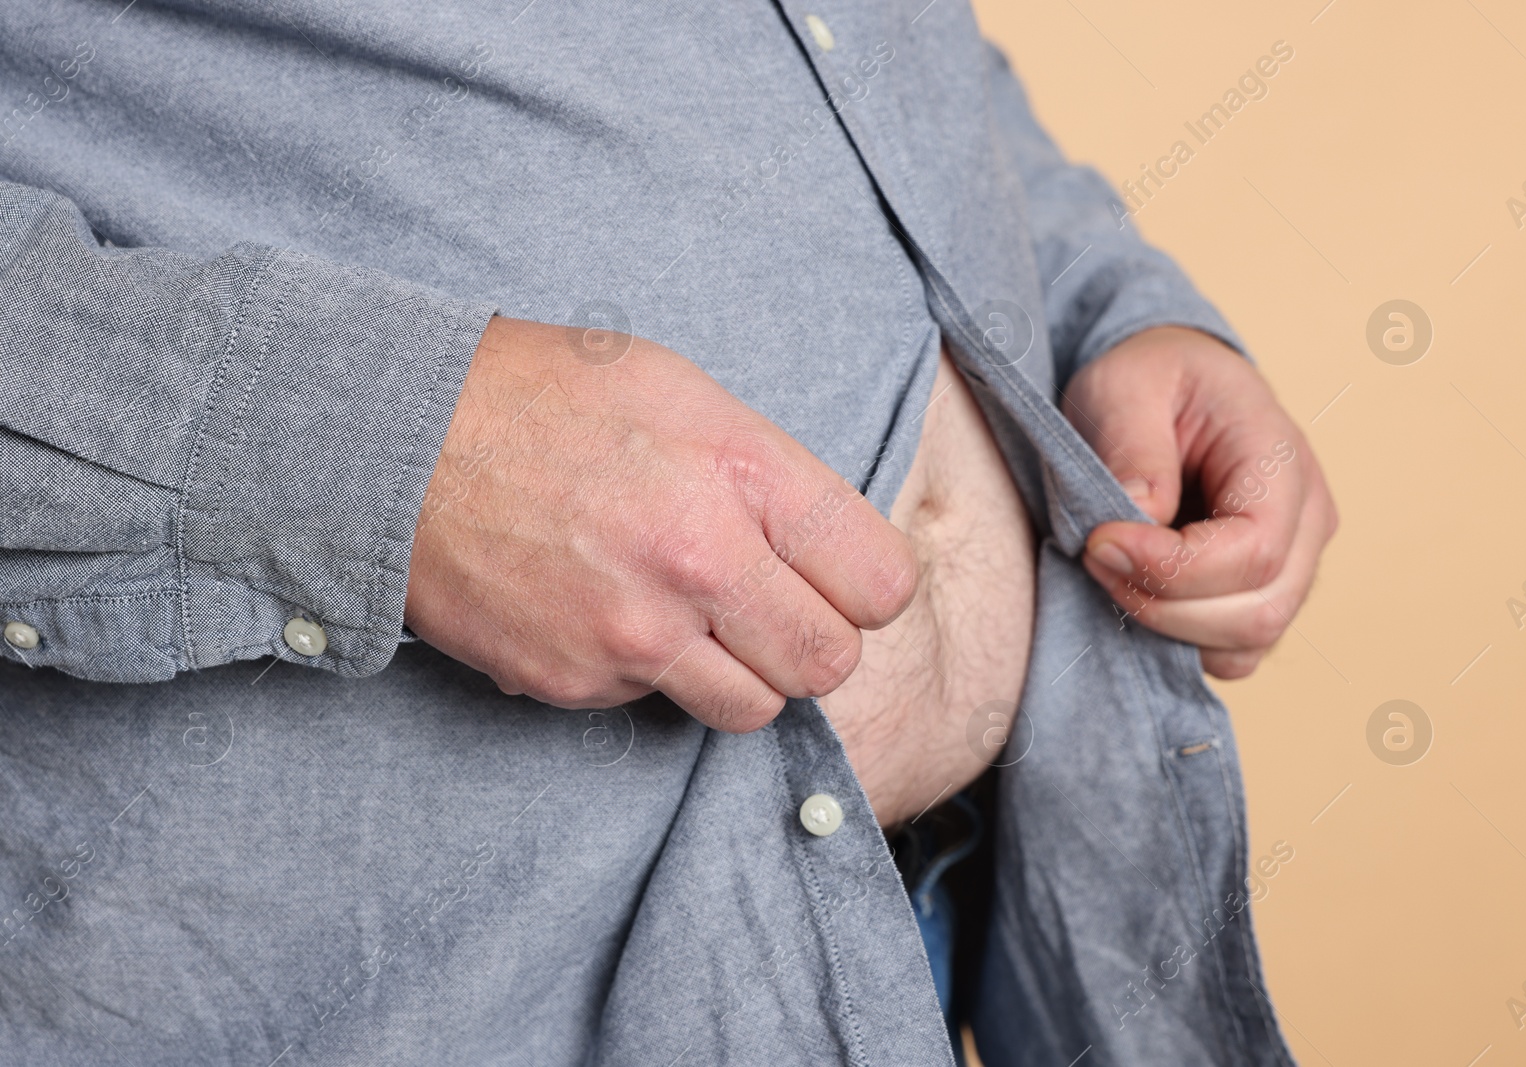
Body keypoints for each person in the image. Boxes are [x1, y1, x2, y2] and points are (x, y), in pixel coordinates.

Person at [0, 2, 1335, 1064]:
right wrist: (395, 451)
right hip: (411, 986)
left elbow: (851, 59)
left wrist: (1108, 301)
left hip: (910, 929)